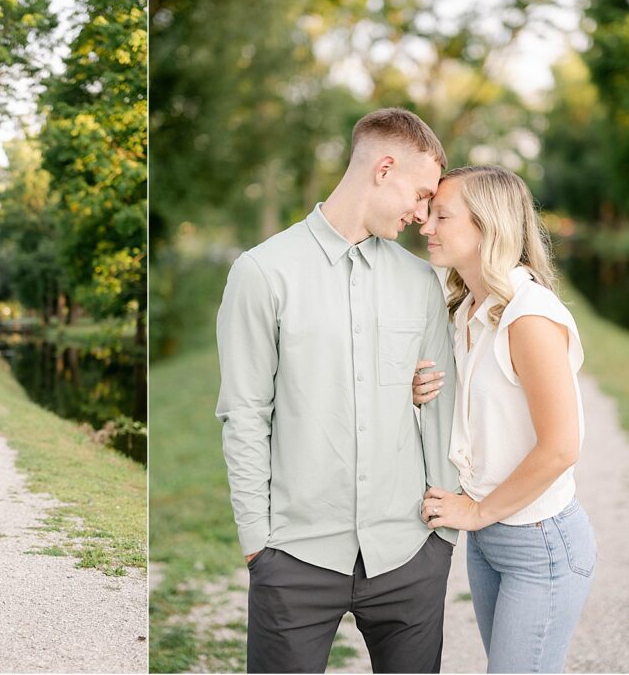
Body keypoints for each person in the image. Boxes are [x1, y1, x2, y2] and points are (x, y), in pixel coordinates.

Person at [216, 107, 461, 673]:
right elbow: (245, 414)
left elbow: (440, 402)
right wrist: (258, 544)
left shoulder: (420, 281)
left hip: (409, 556)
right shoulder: (261, 273)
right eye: (421, 195)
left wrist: (442, 538)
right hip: (294, 559)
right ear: (384, 168)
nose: (423, 216)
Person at [411, 165, 596, 673]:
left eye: (441, 215)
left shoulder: (529, 316)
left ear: (486, 226)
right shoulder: (468, 308)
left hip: (540, 542)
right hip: (490, 539)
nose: (425, 225)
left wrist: (475, 512)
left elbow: (561, 447)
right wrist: (419, 391)